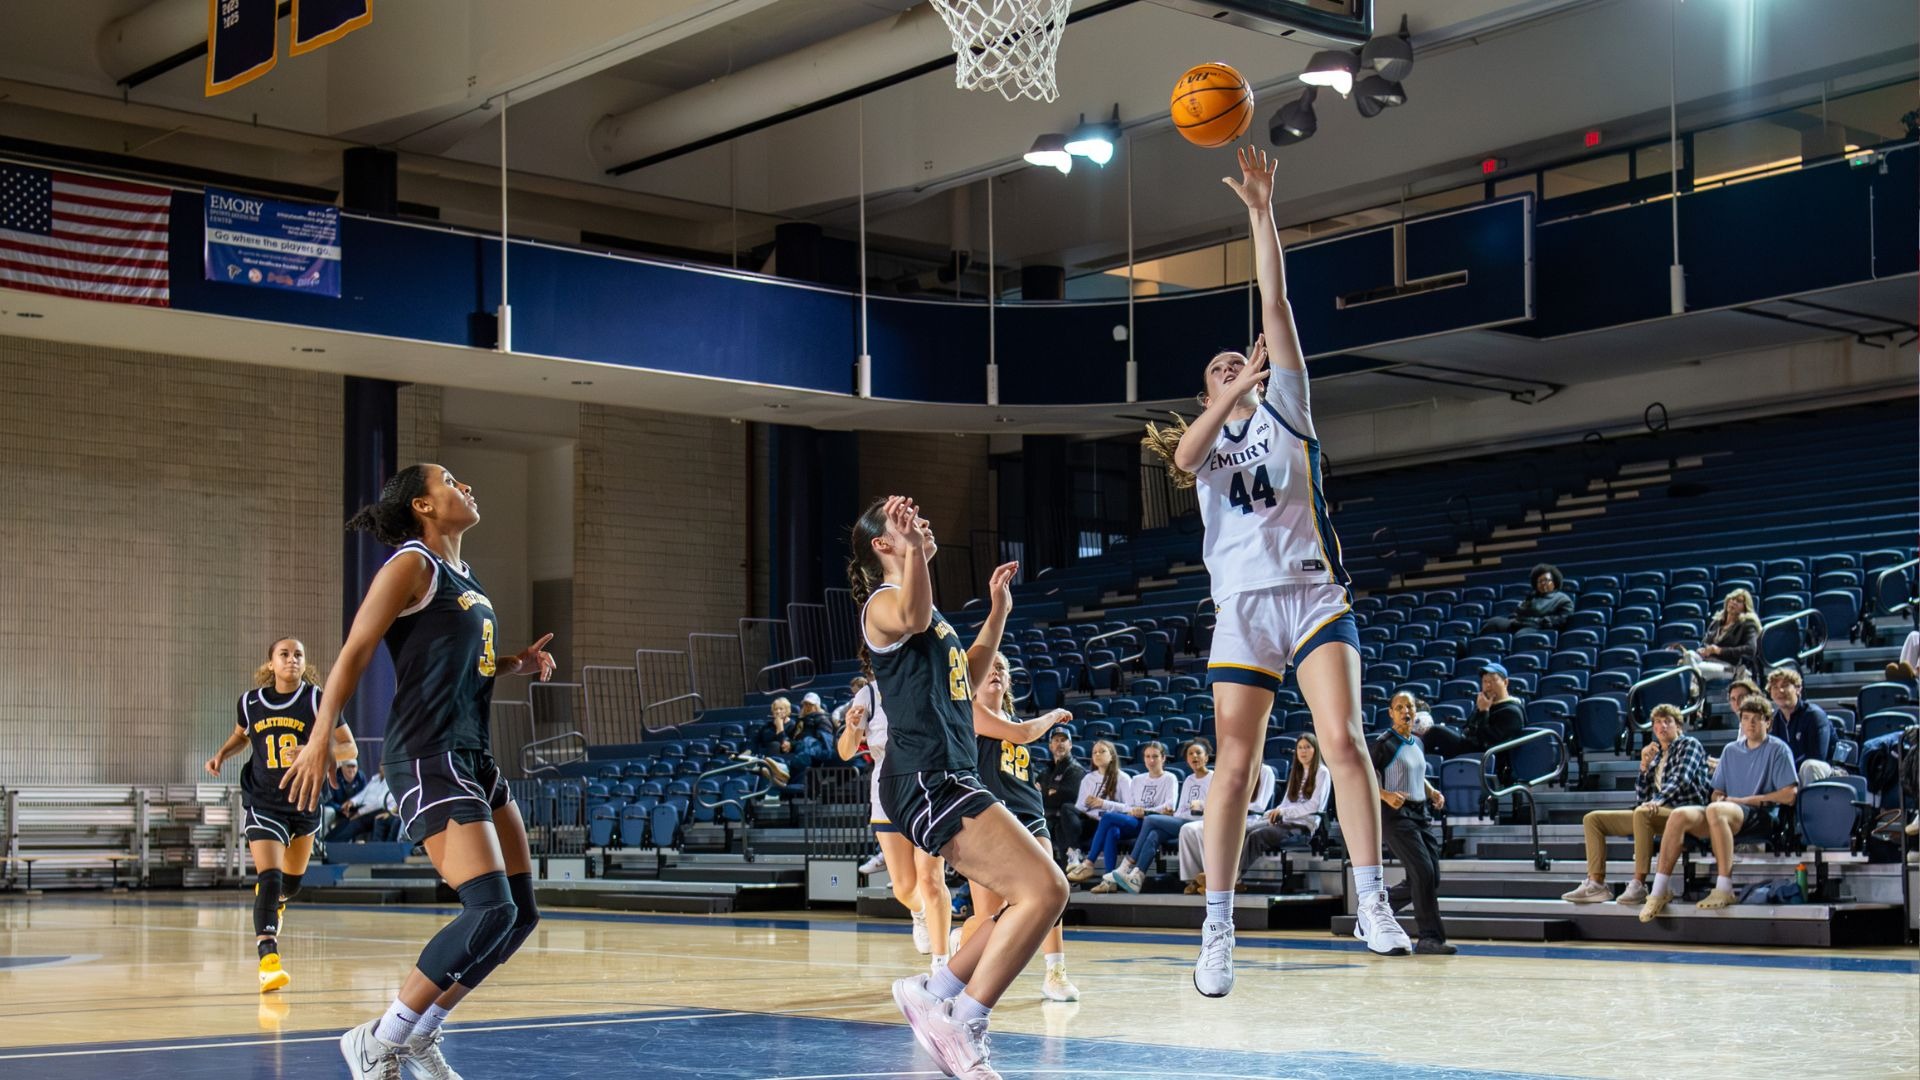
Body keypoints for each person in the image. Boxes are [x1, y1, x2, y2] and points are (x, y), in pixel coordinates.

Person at [1138, 145, 1409, 997]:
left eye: (1236, 361)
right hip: (1244, 608)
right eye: (1215, 369)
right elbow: (1183, 456)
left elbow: (1278, 304)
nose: (1230, 367)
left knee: (1342, 740)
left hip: (1312, 591)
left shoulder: (1286, 408)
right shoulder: (1206, 442)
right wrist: (1221, 395)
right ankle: (1216, 927)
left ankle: (1371, 899)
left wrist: (1261, 213)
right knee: (1234, 768)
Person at [278, 464, 556, 1080]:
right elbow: (355, 649)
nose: (468, 486)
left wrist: (515, 663)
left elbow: (463, 658)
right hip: (428, 754)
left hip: (472, 753)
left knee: (520, 913)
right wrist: (321, 733)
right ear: (424, 507)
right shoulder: (410, 564)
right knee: (488, 908)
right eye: (454, 481)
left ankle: (419, 1032)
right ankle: (379, 1041)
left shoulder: (466, 577)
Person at [850, 495, 1066, 1080]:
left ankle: (935, 990)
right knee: (1048, 891)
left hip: (949, 775)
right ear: (882, 546)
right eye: (905, 524)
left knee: (1018, 904)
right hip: (926, 777)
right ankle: (963, 1019)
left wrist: (997, 612)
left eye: (918, 520)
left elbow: (964, 678)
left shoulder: (927, 611)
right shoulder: (882, 606)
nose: (920, 524)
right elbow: (914, 617)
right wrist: (916, 551)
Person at [203, 637, 356, 993]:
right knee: (269, 877)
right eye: (284, 654)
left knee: (290, 885)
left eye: (298, 654)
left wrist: (318, 746)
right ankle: (269, 960)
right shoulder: (250, 702)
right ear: (270, 664)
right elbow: (243, 735)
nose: (292, 660)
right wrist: (222, 754)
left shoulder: (318, 700)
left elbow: (348, 745)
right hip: (264, 800)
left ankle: (278, 902)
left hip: (303, 801)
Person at [959, 651, 1078, 1002]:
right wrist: (1055, 715)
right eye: (989, 667)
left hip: (1030, 813)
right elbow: (1024, 733)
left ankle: (1055, 971)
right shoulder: (969, 711)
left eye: (1002, 668)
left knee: (1051, 889)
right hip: (990, 818)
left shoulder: (1010, 717)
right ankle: (959, 952)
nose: (995, 671)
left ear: (1008, 681)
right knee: (990, 918)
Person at [1640, 697, 1798, 920]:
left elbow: (1790, 795)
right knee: (1679, 815)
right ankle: (1658, 891)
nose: (1750, 724)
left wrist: (1747, 800)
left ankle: (1724, 887)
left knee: (1716, 809)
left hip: (1761, 814)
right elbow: (1716, 792)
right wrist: (1721, 798)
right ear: (1740, 722)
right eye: (1745, 719)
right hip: (1728, 812)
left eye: (1756, 719)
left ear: (1768, 723)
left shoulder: (1778, 749)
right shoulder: (1730, 750)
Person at [836, 678, 956, 971]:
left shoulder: (925, 679)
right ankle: (919, 913)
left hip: (928, 790)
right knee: (904, 889)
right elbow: (846, 752)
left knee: (930, 878)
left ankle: (942, 964)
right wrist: (851, 729)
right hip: (887, 794)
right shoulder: (869, 693)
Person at [1560, 703, 1709, 906]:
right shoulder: (1656, 755)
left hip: (1687, 813)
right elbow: (1642, 798)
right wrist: (1644, 767)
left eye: (1668, 722)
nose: (1662, 726)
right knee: (1593, 819)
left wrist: (1656, 801)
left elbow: (1681, 780)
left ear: (1678, 726)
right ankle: (1596, 884)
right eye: (1657, 722)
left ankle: (1639, 884)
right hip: (1657, 813)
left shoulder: (1689, 745)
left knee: (1642, 813)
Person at [1370, 693, 1452, 955]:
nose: (1406, 711)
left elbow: (1417, 773)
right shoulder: (1383, 744)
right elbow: (1364, 779)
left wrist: (1431, 792)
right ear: (1390, 713)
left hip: (1420, 813)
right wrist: (1385, 794)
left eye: (1410, 707)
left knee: (1430, 876)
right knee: (1423, 872)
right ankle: (1430, 938)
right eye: (1400, 707)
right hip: (1396, 816)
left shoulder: (1416, 742)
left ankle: (1375, 911)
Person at [1101, 738, 1213, 894]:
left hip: (1202, 823)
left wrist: (1202, 806)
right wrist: (1178, 812)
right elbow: (1180, 811)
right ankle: (1137, 877)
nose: (1194, 756)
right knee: (1154, 834)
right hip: (1184, 821)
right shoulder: (1188, 779)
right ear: (1187, 759)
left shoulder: (1214, 778)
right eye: (1190, 754)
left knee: (1151, 819)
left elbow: (1218, 807)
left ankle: (1127, 865)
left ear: (1206, 757)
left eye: (1198, 753)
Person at [1077, 741, 1177, 890]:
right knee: (1112, 830)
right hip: (1135, 821)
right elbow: (1128, 806)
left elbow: (1170, 806)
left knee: (1108, 818)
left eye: (1155, 756)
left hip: (1154, 822)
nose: (1151, 760)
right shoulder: (1137, 780)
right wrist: (1135, 810)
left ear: (1163, 758)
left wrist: (1147, 811)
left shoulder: (1170, 778)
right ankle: (1109, 881)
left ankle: (1090, 862)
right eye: (1147, 756)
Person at [1232, 736, 1329, 882]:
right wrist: (1273, 812)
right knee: (1242, 831)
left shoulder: (1322, 772)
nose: (1303, 751)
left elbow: (1314, 805)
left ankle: (1236, 877)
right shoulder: (1296, 772)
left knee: (1256, 836)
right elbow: (1285, 803)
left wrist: (1283, 812)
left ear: (1316, 750)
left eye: (1308, 747)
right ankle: (1227, 873)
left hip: (1302, 826)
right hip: (1284, 822)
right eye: (1300, 747)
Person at [1422, 662, 1526, 758]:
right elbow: (1469, 728)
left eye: (1493, 681)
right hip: (1470, 748)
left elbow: (1487, 741)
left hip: (1484, 757)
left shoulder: (1512, 711)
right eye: (1485, 681)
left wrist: (1484, 711)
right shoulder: (1486, 704)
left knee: (1436, 731)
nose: (1488, 686)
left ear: (1505, 682)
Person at [1062, 741, 1131, 879]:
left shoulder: (1123, 778)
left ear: (1112, 756)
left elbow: (1129, 808)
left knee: (1110, 826)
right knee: (1066, 808)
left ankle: (1096, 870)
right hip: (1091, 822)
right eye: (1094, 752)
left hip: (1109, 821)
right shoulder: (1088, 778)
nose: (1097, 754)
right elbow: (1080, 807)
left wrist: (1103, 803)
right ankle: (1074, 855)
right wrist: (1090, 808)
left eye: (1102, 751)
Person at [1674, 588, 1763, 687]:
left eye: (1739, 601)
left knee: (1691, 669)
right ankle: (1694, 688)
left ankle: (1694, 690)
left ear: (1745, 607)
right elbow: (1706, 642)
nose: (1733, 602)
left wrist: (1719, 650)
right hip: (1706, 660)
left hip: (1728, 667)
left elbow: (1750, 649)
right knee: (1689, 654)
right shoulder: (1716, 622)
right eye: (1732, 599)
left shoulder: (1747, 624)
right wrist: (1704, 650)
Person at [1767, 668, 1837, 786]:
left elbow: (1817, 757)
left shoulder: (1814, 715)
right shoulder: (1774, 720)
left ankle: (1809, 803)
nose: (1780, 690)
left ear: (1798, 689)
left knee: (1809, 766)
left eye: (1785, 685)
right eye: (1775, 687)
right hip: (1790, 774)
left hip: (1827, 770)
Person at [1038, 727, 1087, 866]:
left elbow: (1070, 796)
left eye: (1063, 740)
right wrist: (1050, 793)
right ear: (1050, 745)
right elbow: (1035, 795)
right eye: (1056, 740)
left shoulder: (1076, 769)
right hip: (1048, 819)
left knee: (1060, 824)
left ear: (1070, 745)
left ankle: (1072, 861)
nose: (1059, 744)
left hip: (1068, 820)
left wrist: (1045, 793)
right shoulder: (1046, 771)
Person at [1479, 563, 1573, 634]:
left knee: (1522, 635)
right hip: (1519, 623)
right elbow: (1519, 611)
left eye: (1546, 580)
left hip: (1537, 628)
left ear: (1554, 582)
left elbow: (1562, 619)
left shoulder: (1563, 599)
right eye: (1540, 581)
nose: (1543, 584)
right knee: (1493, 623)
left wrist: (1540, 621)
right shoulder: (1532, 596)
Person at [325, 762, 396, 845]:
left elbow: (379, 802)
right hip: (365, 810)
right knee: (345, 821)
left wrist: (359, 813)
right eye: (382, 765)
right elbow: (363, 794)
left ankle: (329, 845)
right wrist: (352, 802)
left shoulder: (391, 781)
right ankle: (325, 842)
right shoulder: (375, 779)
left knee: (353, 824)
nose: (383, 767)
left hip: (379, 811)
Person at [320, 757, 369, 839]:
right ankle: (320, 839)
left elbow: (365, 796)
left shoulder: (361, 777)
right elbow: (327, 800)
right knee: (327, 811)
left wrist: (355, 810)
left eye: (353, 766)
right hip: (337, 810)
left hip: (354, 811)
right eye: (348, 766)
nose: (351, 769)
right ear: (342, 767)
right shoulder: (333, 777)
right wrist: (341, 809)